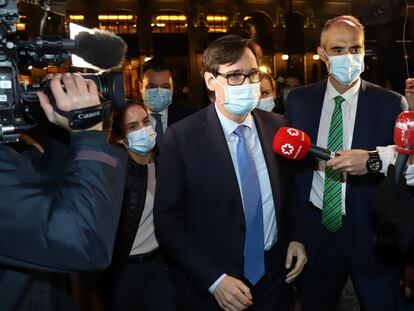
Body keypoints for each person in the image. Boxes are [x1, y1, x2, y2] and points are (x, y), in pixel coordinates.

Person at [154, 34, 307, 311]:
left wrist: (296, 237)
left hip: (273, 275)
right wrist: (213, 280)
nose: (248, 84)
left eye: (252, 74)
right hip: (215, 283)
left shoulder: (278, 127)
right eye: (235, 76)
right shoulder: (182, 138)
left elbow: (290, 193)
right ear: (211, 81)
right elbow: (168, 223)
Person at [284, 15, 407, 311]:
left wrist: (373, 163)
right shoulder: (298, 101)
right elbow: (289, 175)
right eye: (338, 50)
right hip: (316, 232)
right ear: (323, 53)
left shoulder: (390, 103)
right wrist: (296, 234)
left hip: (371, 235)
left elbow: (403, 171)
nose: (348, 57)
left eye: (356, 49)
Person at [0, 72, 127, 310]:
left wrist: (61, 127)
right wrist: (89, 132)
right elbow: (83, 241)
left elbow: (51, 187)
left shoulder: (11, 153)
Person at [98, 100, 176, 311]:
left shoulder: (165, 165)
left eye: (145, 122)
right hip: (125, 270)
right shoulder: (113, 174)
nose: (143, 129)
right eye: (133, 127)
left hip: (160, 265)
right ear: (121, 138)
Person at [139, 57, 196, 147]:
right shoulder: (129, 118)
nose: (159, 92)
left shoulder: (190, 117)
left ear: (172, 88)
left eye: (165, 87)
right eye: (152, 87)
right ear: (141, 87)